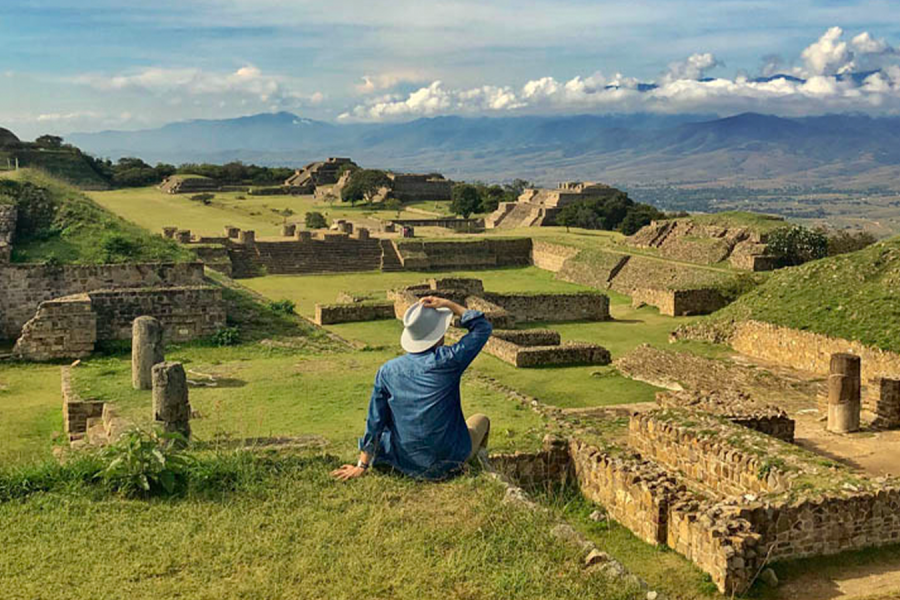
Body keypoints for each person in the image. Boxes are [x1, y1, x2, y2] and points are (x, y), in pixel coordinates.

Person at [331, 296, 493, 481]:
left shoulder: (387, 371)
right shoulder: (448, 360)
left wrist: (362, 465)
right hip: (448, 461)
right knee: (482, 420)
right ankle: (476, 467)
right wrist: (450, 305)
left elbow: (375, 420)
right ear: (439, 334)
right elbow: (482, 328)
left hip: (404, 462)